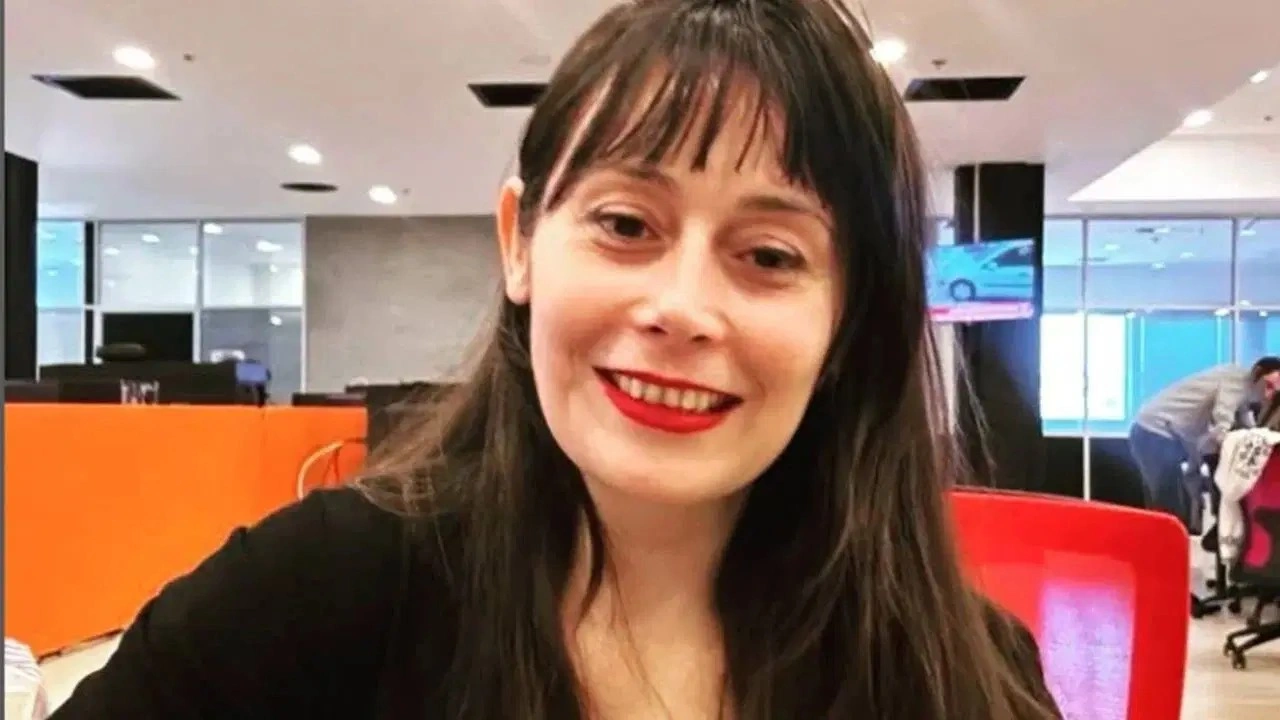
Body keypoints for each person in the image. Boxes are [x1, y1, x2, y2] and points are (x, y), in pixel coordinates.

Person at [52, 1, 1061, 718]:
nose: (680, 309)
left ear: (850, 317)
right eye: (625, 224)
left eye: (768, 255)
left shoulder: (962, 676)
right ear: (520, 244)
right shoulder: (313, 595)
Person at [1129, 357, 1280, 523]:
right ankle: (1164, 538)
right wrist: (1230, 445)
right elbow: (1222, 416)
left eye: (1275, 391)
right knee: (1169, 505)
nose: (1269, 395)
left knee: (1170, 504)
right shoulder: (1236, 379)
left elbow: (1244, 422)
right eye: (1268, 385)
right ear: (1257, 373)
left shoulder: (1244, 391)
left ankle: (1163, 537)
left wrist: (1256, 437)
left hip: (1157, 432)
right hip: (1154, 430)